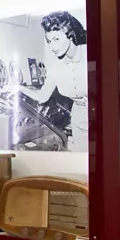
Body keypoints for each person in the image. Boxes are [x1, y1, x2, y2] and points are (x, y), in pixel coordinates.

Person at [19, 11, 88, 152]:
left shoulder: (90, 54)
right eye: (49, 41)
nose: (52, 47)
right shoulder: (56, 66)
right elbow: (43, 96)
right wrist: (18, 88)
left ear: (69, 33)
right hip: (80, 120)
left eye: (56, 39)